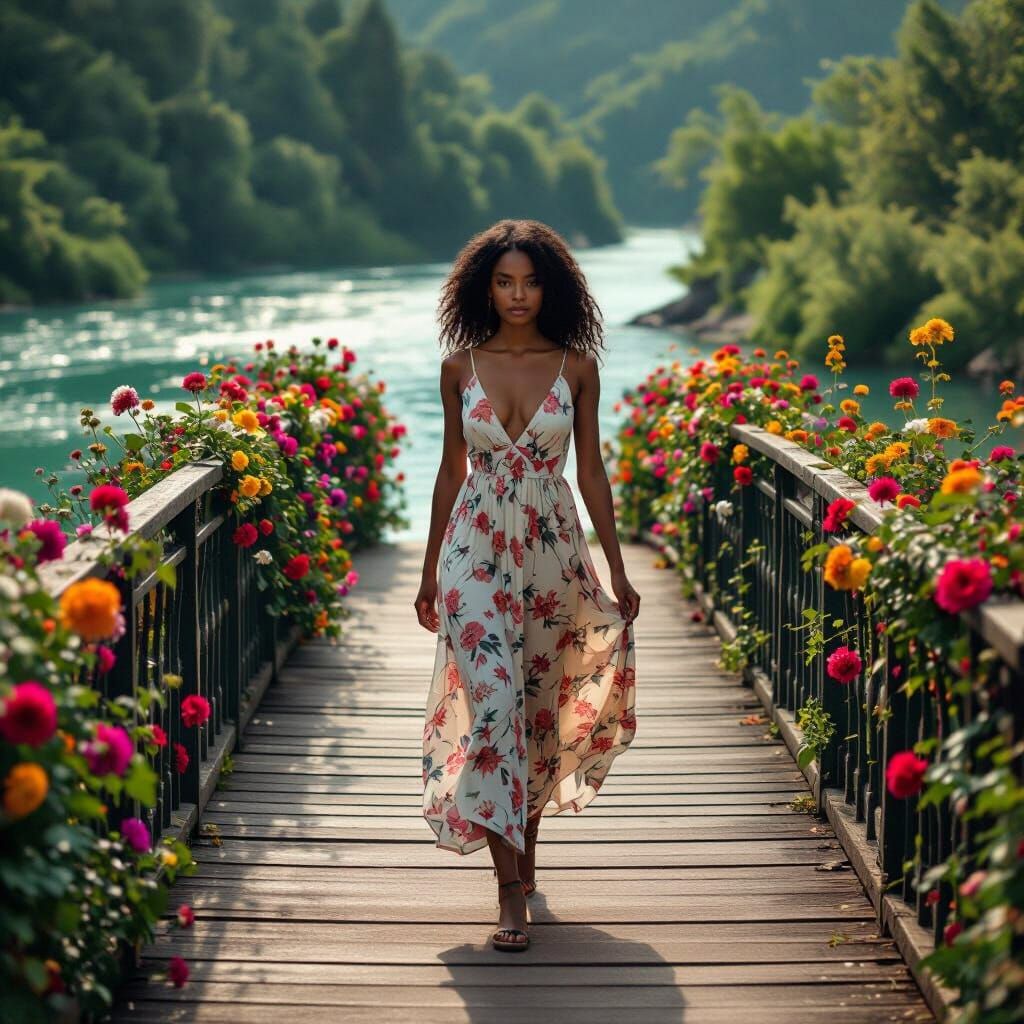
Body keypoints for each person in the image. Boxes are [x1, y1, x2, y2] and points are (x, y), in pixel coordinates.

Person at [415, 218, 640, 953]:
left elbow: (592, 471)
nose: (518, 294)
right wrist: (426, 575)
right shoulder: (459, 366)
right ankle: (509, 895)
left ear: (553, 286)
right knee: (498, 709)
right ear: (485, 286)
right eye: (505, 281)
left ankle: (526, 851)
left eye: (531, 281)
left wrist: (616, 564)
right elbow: (451, 472)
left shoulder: (575, 366)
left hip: (551, 557)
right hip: (474, 553)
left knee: (537, 712)